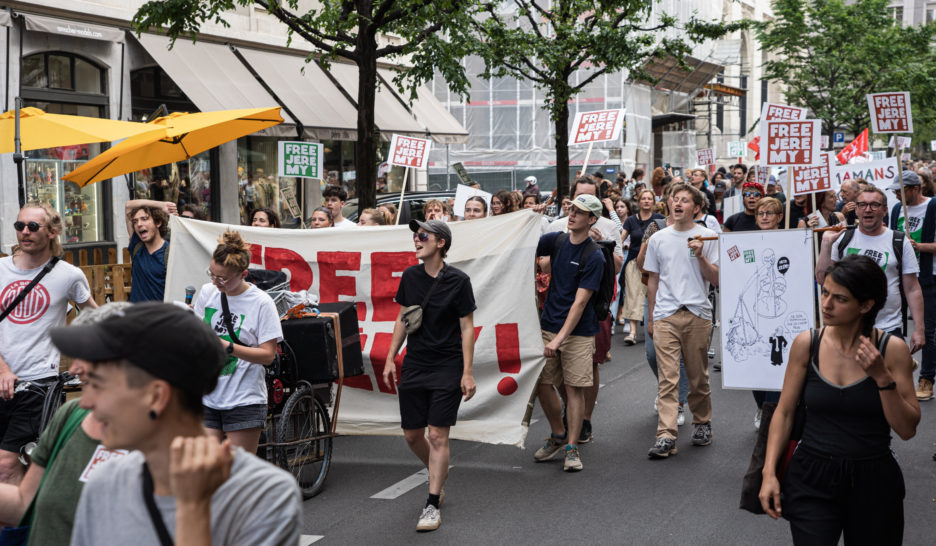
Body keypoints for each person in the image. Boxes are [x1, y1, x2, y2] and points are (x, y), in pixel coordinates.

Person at [51, 303, 302, 545]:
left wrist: (192, 509)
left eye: (98, 385)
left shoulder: (260, 495)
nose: (86, 403)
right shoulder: (105, 483)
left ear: (156, 397)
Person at [758, 255, 919, 545]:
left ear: (866, 305)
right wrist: (768, 473)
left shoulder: (892, 349)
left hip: (874, 479)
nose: (827, 304)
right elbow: (784, 413)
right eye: (825, 293)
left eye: (840, 298)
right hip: (812, 476)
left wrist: (882, 378)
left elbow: (907, 429)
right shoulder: (807, 343)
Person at [0, 304, 130, 546]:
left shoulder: (165, 440)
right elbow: (24, 502)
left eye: (86, 355)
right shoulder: (72, 414)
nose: (74, 369)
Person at [382, 220, 476, 532]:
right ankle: (438, 470)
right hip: (416, 363)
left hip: (447, 365)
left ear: (441, 243)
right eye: (415, 235)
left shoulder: (459, 281)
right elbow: (403, 319)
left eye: (423, 235)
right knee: (412, 434)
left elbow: (466, 328)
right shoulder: (410, 276)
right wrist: (391, 356)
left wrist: (467, 372)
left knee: (437, 435)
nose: (416, 240)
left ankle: (432, 503)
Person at [0, 203, 98, 487]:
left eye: (33, 226)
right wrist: (3, 369)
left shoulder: (68, 275)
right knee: (28, 465)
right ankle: (30, 522)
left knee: (7, 466)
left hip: (38, 385)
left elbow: (94, 317)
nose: (24, 232)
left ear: (53, 232)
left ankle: (23, 529)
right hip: (3, 377)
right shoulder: (1, 270)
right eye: (20, 226)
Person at [644, 184, 719, 459]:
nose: (678, 204)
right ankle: (666, 435)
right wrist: (652, 316)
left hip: (698, 312)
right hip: (666, 314)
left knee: (698, 375)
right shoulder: (658, 239)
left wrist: (700, 255)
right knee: (668, 378)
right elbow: (652, 279)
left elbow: (717, 279)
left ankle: (702, 422)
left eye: (685, 200)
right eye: (675, 199)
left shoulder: (709, 237)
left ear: (696, 208)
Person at [532, 194, 606, 472]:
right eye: (572, 209)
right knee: (542, 383)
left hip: (578, 332)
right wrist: (532, 217)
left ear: (592, 220)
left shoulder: (594, 255)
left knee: (574, 390)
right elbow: (525, 243)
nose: (572, 214)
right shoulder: (557, 240)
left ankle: (572, 448)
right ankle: (558, 433)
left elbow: (580, 302)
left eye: (580, 212)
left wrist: (560, 338)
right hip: (548, 324)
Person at [193, 230, 282, 455]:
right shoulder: (207, 292)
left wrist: (228, 347)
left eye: (222, 278)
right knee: (207, 467)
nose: (215, 282)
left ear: (243, 273)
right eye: (212, 274)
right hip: (208, 394)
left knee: (237, 472)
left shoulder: (261, 303)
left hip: (245, 398)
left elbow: (268, 355)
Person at [816, 186, 924, 352]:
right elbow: (822, 280)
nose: (868, 209)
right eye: (862, 205)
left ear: (885, 210)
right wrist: (825, 244)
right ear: (856, 210)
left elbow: (912, 288)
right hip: (847, 328)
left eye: (874, 205)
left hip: (888, 329)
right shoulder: (842, 238)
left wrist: (919, 328)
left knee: (890, 377)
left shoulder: (899, 241)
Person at [618, 190, 664, 342]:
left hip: (655, 264)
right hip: (634, 262)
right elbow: (621, 239)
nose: (646, 201)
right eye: (643, 198)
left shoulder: (659, 219)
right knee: (633, 295)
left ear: (653, 201)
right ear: (639, 202)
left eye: (649, 198)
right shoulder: (631, 220)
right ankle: (632, 332)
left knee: (654, 295)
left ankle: (655, 327)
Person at [125, 199, 177, 302]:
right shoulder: (136, 244)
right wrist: (161, 204)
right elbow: (128, 206)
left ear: (158, 222)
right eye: (135, 221)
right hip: (137, 315)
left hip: (159, 315)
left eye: (144, 219)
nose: (139, 224)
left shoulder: (170, 253)